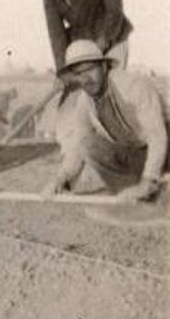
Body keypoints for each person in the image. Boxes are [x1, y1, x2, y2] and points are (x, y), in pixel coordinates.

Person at [43, 40, 167, 202]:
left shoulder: (133, 85)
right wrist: (61, 178)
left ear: (103, 66)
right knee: (88, 146)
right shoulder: (85, 101)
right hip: (137, 154)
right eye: (79, 73)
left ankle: (153, 186)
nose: (86, 78)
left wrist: (148, 180)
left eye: (90, 69)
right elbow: (78, 145)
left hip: (165, 148)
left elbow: (157, 136)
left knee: (153, 182)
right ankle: (142, 197)